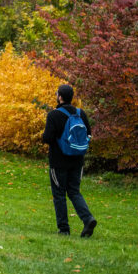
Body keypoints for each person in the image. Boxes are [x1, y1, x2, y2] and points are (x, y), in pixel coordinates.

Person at [42, 84, 97, 237]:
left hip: (59, 161)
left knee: (59, 194)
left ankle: (64, 229)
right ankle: (88, 219)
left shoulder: (54, 115)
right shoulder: (81, 114)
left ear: (60, 97)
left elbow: (48, 138)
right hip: (77, 160)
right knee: (74, 191)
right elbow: (88, 135)